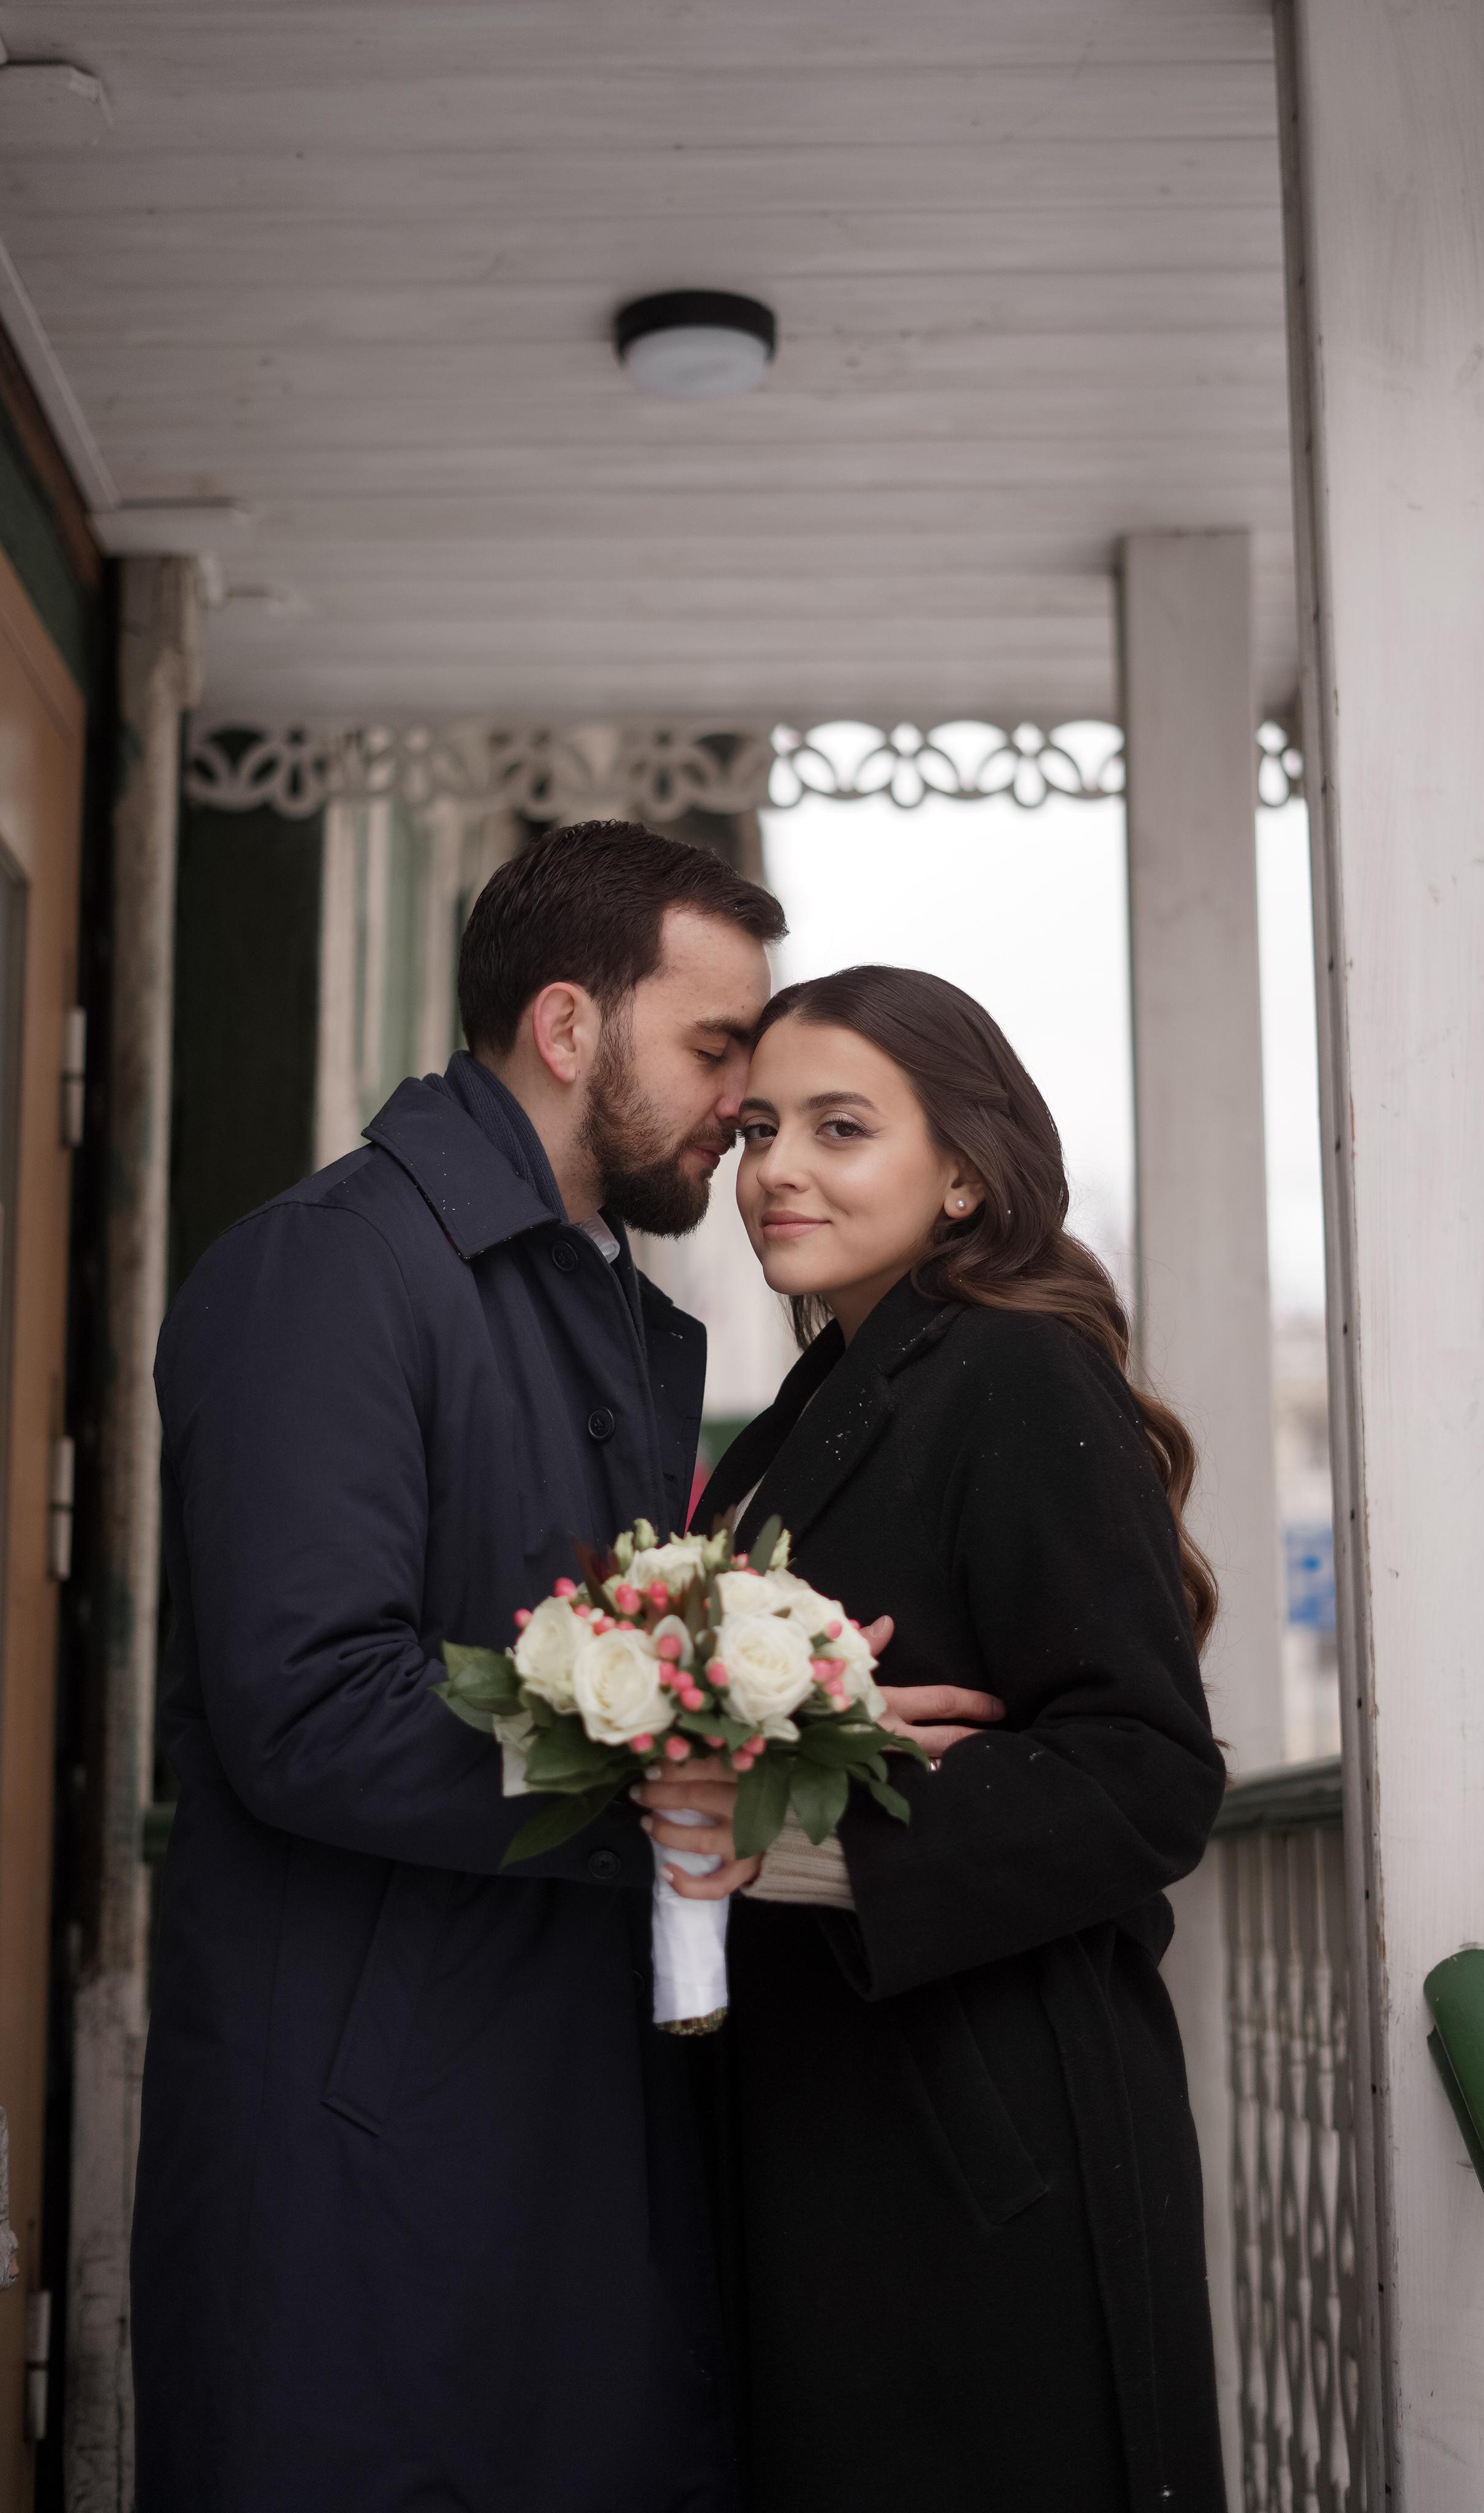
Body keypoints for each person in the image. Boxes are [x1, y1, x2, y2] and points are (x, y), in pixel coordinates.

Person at [132, 822, 787, 2512]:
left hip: (543, 2131)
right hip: (370, 2166)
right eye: (715, 1048)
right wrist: (656, 1785)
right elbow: (307, 1704)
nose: (745, 1100)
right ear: (569, 1030)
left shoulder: (577, 1296)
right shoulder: (333, 1268)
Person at [638, 965, 1228, 2513]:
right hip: (826, 2123)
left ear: (964, 1172)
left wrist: (798, 1835)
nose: (777, 1168)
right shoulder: (808, 1408)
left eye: (841, 1128)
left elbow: (1146, 1770)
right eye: (759, 1127)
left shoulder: (1016, 1369)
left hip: (985, 2143)